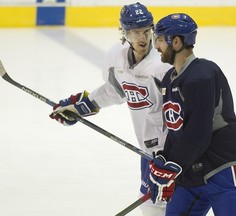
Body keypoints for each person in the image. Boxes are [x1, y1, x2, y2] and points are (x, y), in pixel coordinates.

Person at [49, 2, 171, 216]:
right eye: (135, 32)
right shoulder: (116, 57)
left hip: (172, 150)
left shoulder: (163, 64)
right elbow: (114, 92)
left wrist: (178, 151)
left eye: (146, 31)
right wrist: (81, 107)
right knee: (153, 204)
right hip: (149, 149)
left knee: (161, 204)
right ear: (124, 33)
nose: (142, 38)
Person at [148, 13, 236, 216]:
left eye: (159, 40)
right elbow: (176, 130)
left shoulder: (203, 73)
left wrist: (174, 166)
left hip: (223, 168)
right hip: (192, 172)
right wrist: (165, 159)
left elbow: (199, 132)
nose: (156, 46)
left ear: (176, 41)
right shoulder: (168, 79)